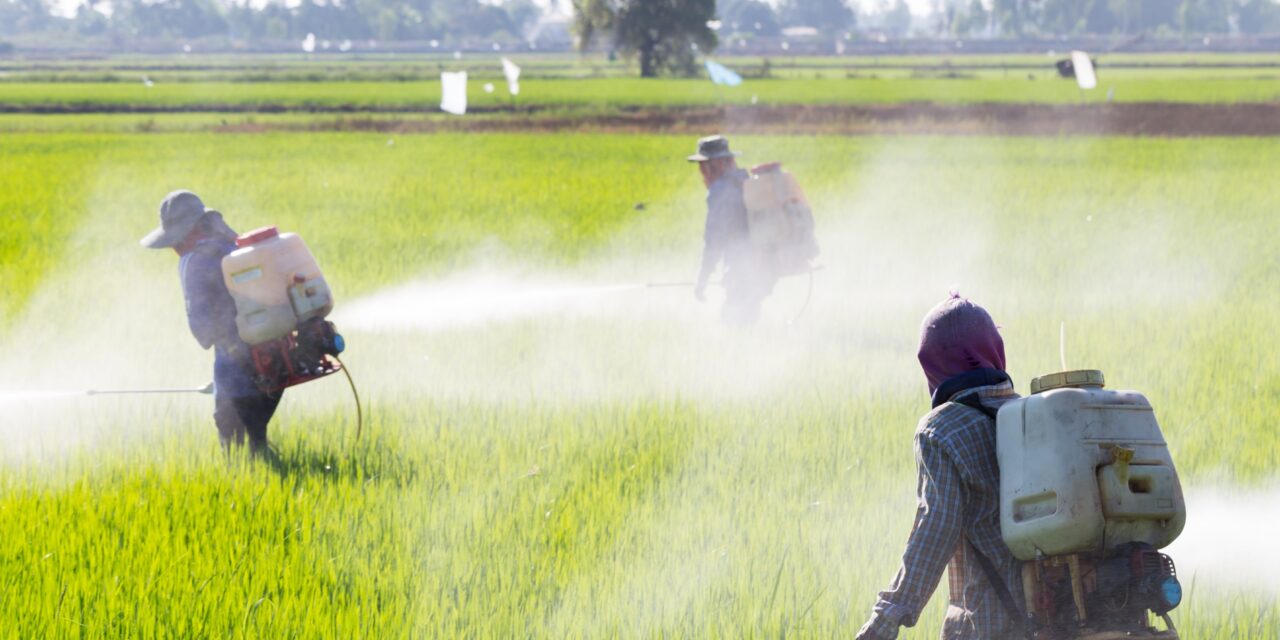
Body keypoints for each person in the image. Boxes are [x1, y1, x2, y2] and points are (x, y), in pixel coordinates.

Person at [856, 294, 1025, 640]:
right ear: (994, 350)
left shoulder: (940, 430)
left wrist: (886, 618)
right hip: (1067, 616)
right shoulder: (1033, 416)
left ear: (933, 365)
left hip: (993, 624)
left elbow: (935, 528)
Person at [140, 190, 280, 456]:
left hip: (238, 363)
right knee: (257, 435)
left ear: (187, 232)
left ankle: (246, 478)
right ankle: (263, 459)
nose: (173, 247)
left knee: (235, 447)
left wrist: (227, 369)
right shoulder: (236, 246)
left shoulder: (193, 261)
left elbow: (202, 325)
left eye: (174, 240)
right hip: (278, 356)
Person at [688, 135, 777, 326]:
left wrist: (701, 280)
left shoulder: (720, 191)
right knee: (749, 321)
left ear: (714, 165)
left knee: (733, 327)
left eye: (703, 166)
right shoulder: (745, 180)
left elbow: (713, 242)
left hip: (743, 271)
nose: (702, 172)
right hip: (766, 266)